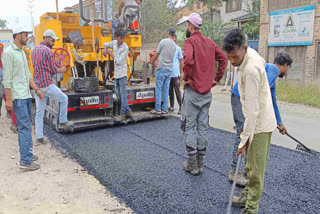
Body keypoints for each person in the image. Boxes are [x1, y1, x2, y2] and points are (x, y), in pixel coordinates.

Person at [223, 28, 277, 214]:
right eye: (229, 57)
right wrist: (245, 137)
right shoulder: (250, 54)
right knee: (248, 165)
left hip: (260, 124)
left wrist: (243, 140)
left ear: (244, 48)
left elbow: (253, 112)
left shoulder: (251, 70)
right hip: (253, 118)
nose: (232, 62)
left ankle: (251, 209)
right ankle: (246, 196)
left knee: (255, 171)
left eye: (235, 57)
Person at [228, 51, 293, 187]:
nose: (286, 71)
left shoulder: (270, 74)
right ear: (285, 65)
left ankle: (246, 171)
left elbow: (272, 100)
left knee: (250, 134)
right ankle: (235, 172)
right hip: (240, 97)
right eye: (288, 68)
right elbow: (258, 93)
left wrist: (279, 122)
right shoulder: (274, 69)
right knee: (243, 133)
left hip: (242, 98)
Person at [181, 13, 227, 176]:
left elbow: (187, 60)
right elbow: (223, 59)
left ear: (191, 26)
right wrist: (216, 79)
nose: (186, 28)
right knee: (203, 127)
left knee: (189, 126)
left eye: (186, 25)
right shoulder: (209, 42)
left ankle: (192, 164)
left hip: (193, 92)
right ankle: (201, 163)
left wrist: (186, 78)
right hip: (207, 94)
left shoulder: (189, 41)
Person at [2, 26, 44, 171]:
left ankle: (28, 154)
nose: (27, 38)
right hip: (18, 97)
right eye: (26, 35)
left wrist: (37, 90)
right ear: (18, 36)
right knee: (24, 127)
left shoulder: (21, 53)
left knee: (26, 126)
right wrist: (8, 99)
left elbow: (28, 76)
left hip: (26, 94)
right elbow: (6, 79)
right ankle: (25, 161)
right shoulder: (8, 53)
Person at [32, 29, 73, 144]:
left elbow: (40, 67)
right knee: (64, 99)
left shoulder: (34, 50)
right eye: (52, 40)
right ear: (45, 38)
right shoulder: (48, 51)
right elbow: (53, 69)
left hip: (37, 86)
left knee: (39, 112)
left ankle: (39, 137)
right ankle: (63, 121)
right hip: (46, 85)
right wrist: (62, 69)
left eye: (54, 40)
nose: (53, 42)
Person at [103, 27, 133, 121]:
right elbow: (105, 44)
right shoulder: (114, 43)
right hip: (116, 74)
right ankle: (128, 111)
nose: (122, 40)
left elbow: (119, 61)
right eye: (120, 38)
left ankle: (123, 114)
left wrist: (110, 53)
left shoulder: (125, 48)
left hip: (122, 74)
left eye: (123, 38)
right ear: (116, 37)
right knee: (118, 95)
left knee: (123, 94)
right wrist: (105, 49)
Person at [150, 27, 176, 115]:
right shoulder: (174, 45)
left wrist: (152, 61)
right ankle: (164, 109)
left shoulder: (163, 41)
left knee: (158, 89)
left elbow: (157, 54)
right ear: (174, 34)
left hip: (161, 69)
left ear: (168, 33)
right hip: (169, 70)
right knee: (166, 90)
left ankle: (157, 109)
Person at [168, 35, 183, 114]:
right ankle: (172, 106)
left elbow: (181, 61)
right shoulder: (168, 49)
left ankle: (181, 107)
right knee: (170, 91)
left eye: (174, 39)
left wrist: (181, 73)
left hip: (175, 74)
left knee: (177, 91)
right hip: (169, 73)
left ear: (175, 40)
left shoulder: (178, 49)